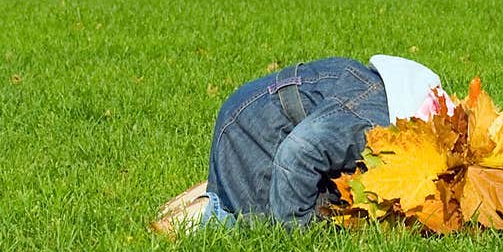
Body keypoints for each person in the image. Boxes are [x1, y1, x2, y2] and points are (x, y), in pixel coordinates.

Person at [151, 54, 455, 236]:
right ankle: (209, 212)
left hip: (249, 117)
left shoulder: (371, 89)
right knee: (261, 222)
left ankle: (220, 184)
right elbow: (299, 151)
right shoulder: (369, 123)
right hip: (256, 136)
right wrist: (296, 237)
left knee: (332, 189)